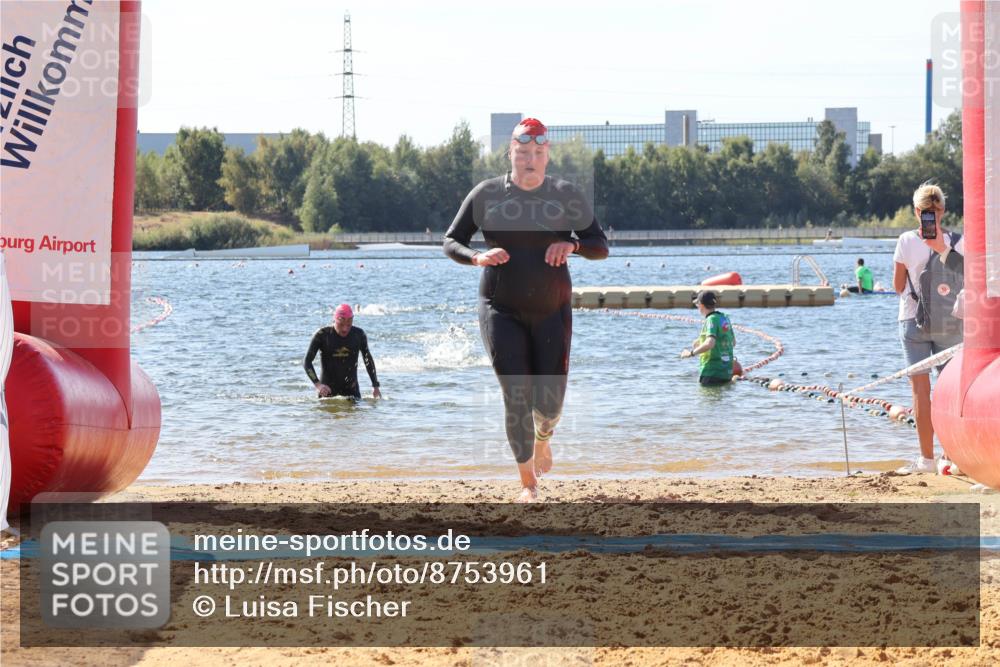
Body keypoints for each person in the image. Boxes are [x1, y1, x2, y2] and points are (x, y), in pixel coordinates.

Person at [443, 117, 609, 502]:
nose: (529, 159)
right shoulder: (487, 194)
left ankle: (543, 438)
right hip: (500, 307)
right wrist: (477, 257)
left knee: (549, 404)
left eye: (537, 152)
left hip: (552, 310)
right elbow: (452, 240)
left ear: (547, 155)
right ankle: (528, 485)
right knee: (515, 393)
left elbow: (600, 245)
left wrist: (573, 245)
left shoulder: (565, 195)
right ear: (511, 154)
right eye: (522, 152)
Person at [892, 182, 964, 474]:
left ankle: (926, 460)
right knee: (950, 390)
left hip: (913, 320)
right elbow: (968, 273)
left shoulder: (906, 240)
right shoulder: (958, 241)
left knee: (921, 392)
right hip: (950, 321)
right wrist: (942, 250)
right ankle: (951, 457)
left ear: (916, 211)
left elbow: (898, 286)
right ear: (943, 210)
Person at [303, 304, 382, 400]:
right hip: (327, 393)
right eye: (341, 324)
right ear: (334, 320)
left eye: (349, 325)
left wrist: (375, 386)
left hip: (352, 393)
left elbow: (367, 359)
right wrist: (318, 385)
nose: (345, 329)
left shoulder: (358, 335)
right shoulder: (322, 335)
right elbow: (307, 362)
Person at [680, 291, 737, 385]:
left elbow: (710, 343)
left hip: (711, 372)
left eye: (697, 305)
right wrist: (700, 341)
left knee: (705, 394)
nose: (698, 307)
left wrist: (690, 353)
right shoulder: (724, 318)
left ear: (701, 305)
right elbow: (733, 342)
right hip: (726, 372)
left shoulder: (711, 319)